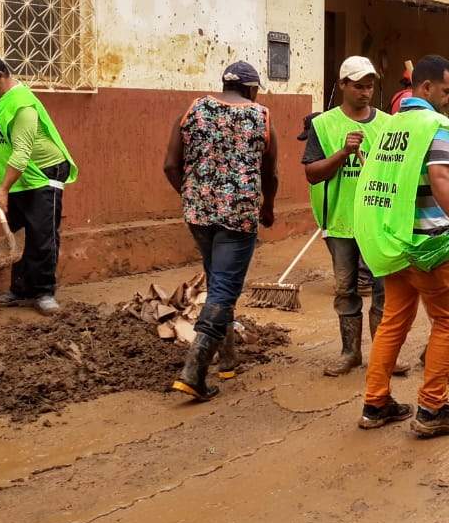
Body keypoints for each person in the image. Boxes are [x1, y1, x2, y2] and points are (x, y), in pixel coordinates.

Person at [353, 55, 449, 438]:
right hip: (430, 245)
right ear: (425, 88)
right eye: (446, 91)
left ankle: (375, 403)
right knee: (446, 321)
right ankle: (432, 408)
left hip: (394, 241)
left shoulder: (391, 127)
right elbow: (441, 178)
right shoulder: (435, 126)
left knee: (393, 320)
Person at [163, 61, 278, 400]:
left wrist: (191, 195)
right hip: (239, 216)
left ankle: (227, 360)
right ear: (252, 89)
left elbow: (170, 165)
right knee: (225, 289)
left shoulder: (194, 110)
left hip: (198, 214)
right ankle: (193, 372)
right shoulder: (261, 116)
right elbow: (270, 174)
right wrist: (268, 208)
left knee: (218, 281)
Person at [303, 56, 409, 377]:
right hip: (340, 222)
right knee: (345, 290)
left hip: (378, 223)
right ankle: (350, 353)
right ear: (343, 86)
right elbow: (311, 173)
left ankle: (383, 355)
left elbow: (398, 171)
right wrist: (343, 153)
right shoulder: (323, 125)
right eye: (358, 86)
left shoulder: (388, 124)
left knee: (383, 290)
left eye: (370, 86)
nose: (365, 92)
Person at [0, 50, 78, 316]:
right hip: (17, 176)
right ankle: (20, 290)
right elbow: (0, 128)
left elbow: (22, 152)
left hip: (42, 173)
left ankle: (44, 292)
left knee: (42, 235)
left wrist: (1, 190)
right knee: (19, 235)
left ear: (0, 76)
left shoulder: (23, 104)